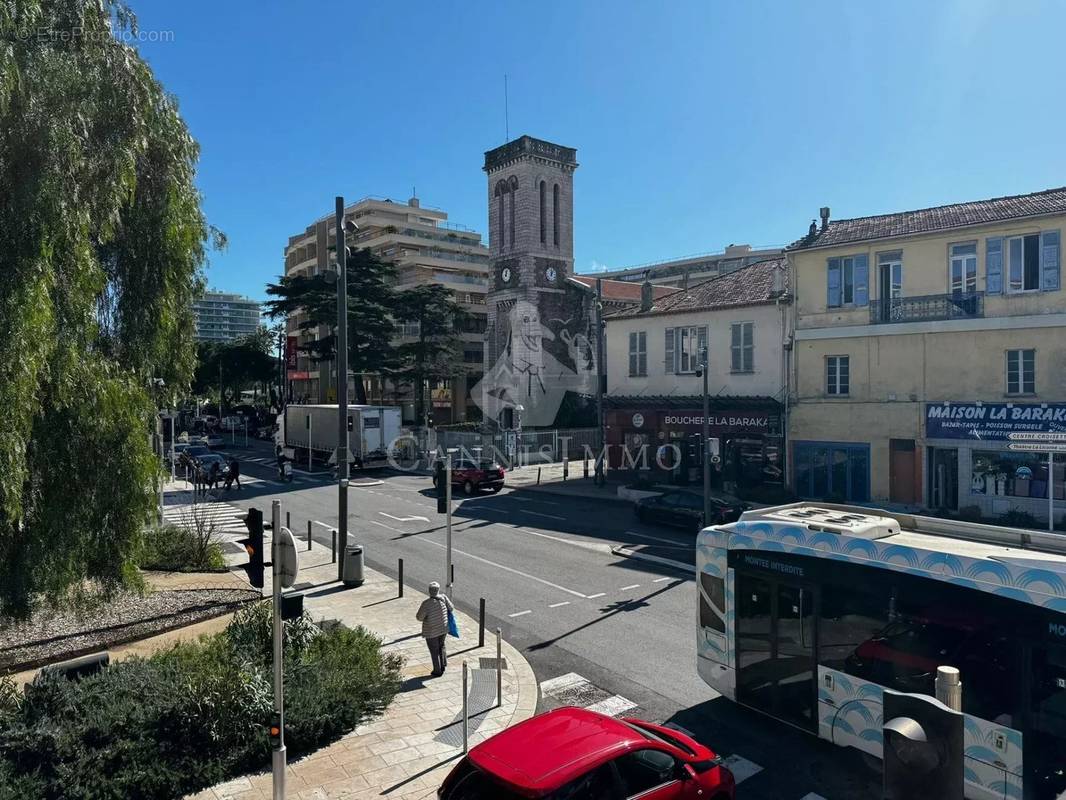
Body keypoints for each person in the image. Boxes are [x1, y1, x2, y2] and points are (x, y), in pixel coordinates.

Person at [415, 581, 453, 677]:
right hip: (444, 628)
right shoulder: (443, 598)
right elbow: (451, 608)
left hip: (431, 631)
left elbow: (419, 617)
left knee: (434, 650)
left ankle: (437, 670)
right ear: (438, 590)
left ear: (429, 591)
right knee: (441, 646)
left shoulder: (426, 604)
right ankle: (443, 665)